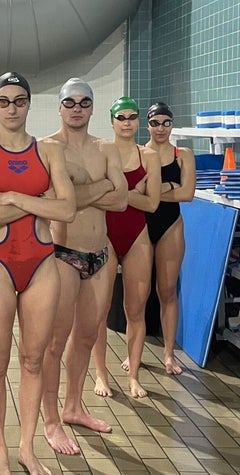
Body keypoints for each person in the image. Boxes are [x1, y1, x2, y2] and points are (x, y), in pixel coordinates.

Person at [0, 72, 76, 475]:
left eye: (20, 101)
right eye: (5, 101)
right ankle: (1, 455)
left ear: (29, 104)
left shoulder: (49, 149)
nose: (12, 108)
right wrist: (38, 203)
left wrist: (11, 197)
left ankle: (27, 448)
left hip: (42, 262)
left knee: (33, 359)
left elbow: (68, 210)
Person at [41, 78, 128, 455]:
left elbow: (123, 199)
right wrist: (99, 188)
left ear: (92, 107)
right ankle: (50, 421)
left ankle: (73, 406)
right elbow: (55, 201)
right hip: (62, 253)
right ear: (60, 107)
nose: (77, 108)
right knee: (55, 342)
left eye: (84, 102)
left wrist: (77, 195)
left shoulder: (106, 148)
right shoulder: (47, 148)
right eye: (70, 102)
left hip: (100, 254)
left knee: (88, 337)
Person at [91, 96, 161, 399]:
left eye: (132, 116)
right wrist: (134, 191)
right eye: (121, 117)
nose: (127, 122)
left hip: (137, 234)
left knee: (135, 308)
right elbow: (93, 197)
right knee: (99, 310)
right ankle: (101, 374)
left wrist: (120, 192)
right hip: (104, 233)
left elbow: (153, 203)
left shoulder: (149, 157)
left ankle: (133, 374)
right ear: (112, 121)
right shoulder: (100, 153)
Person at [144, 102, 196, 376]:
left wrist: (153, 192)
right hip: (142, 226)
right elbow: (135, 192)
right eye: (155, 123)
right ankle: (134, 353)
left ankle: (168, 355)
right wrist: (169, 187)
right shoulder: (140, 154)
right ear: (148, 125)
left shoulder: (183, 155)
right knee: (137, 296)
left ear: (172, 125)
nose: (161, 128)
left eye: (166, 122)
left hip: (170, 226)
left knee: (166, 292)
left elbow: (187, 194)